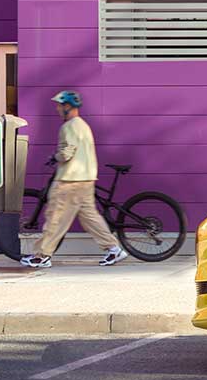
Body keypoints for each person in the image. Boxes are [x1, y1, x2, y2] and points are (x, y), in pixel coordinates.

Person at [21, 90, 128, 268]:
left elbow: (67, 151)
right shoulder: (83, 125)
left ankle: (42, 256)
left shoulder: (69, 127)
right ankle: (114, 249)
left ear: (68, 106)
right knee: (90, 218)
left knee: (56, 217)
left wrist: (56, 157)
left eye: (59, 105)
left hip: (69, 181)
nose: (57, 108)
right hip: (86, 179)